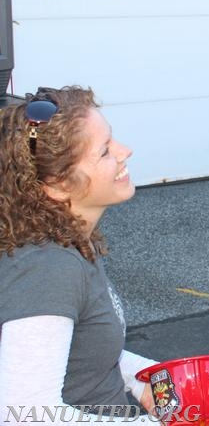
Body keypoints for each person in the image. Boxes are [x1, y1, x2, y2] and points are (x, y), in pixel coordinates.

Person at [0, 86, 159, 423]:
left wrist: (145, 378)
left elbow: (83, 354)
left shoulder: (69, 241)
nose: (124, 151)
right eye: (104, 152)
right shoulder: (47, 269)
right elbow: (24, 414)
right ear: (58, 185)